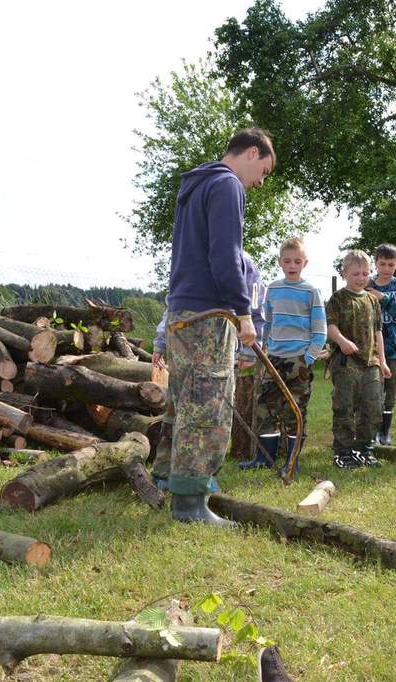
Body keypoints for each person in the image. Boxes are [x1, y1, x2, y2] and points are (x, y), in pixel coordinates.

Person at [155, 127, 274, 528]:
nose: (260, 182)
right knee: (209, 403)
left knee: (183, 399)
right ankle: (190, 502)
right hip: (208, 314)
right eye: (264, 171)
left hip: (182, 310)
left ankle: (166, 478)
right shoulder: (226, 185)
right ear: (252, 152)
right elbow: (226, 254)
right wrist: (243, 311)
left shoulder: (196, 184)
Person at [152, 253, 265, 493]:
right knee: (185, 407)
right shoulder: (191, 258)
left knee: (207, 408)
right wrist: (161, 341)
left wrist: (249, 349)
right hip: (183, 340)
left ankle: (192, 474)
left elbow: (254, 307)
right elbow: (173, 304)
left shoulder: (244, 264)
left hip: (216, 339)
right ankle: (177, 475)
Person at [240, 237, 326, 474]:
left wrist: (308, 358)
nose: (292, 265)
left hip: (298, 360)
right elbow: (267, 322)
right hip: (273, 358)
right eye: (287, 261)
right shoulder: (273, 289)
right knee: (265, 407)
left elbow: (320, 330)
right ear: (280, 262)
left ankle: (292, 461)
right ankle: (264, 458)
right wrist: (266, 347)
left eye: (297, 261)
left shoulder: (311, 292)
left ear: (305, 263)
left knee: (294, 411)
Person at [326, 249, 392, 468]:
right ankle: (343, 452)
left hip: (371, 364)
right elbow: (330, 326)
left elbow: (378, 333)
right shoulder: (338, 299)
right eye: (356, 274)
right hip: (346, 363)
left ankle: (364, 449)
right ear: (345, 273)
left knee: (373, 407)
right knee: (344, 407)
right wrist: (342, 341)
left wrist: (382, 361)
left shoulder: (373, 301)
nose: (361, 278)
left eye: (365, 273)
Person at [366, 243, 396, 445]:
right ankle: (370, 432)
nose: (386, 268)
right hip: (370, 350)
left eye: (390, 264)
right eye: (382, 264)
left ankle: (385, 432)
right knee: (371, 391)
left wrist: (383, 299)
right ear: (375, 263)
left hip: (394, 349)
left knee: (391, 393)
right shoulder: (366, 285)